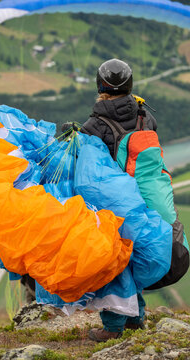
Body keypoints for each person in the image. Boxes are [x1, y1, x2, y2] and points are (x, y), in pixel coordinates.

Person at [80, 58, 157, 342]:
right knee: (132, 254)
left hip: (111, 200)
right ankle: (136, 319)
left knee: (111, 259)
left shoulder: (94, 124)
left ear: (100, 85)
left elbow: (84, 161)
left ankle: (112, 327)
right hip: (142, 196)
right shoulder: (145, 115)